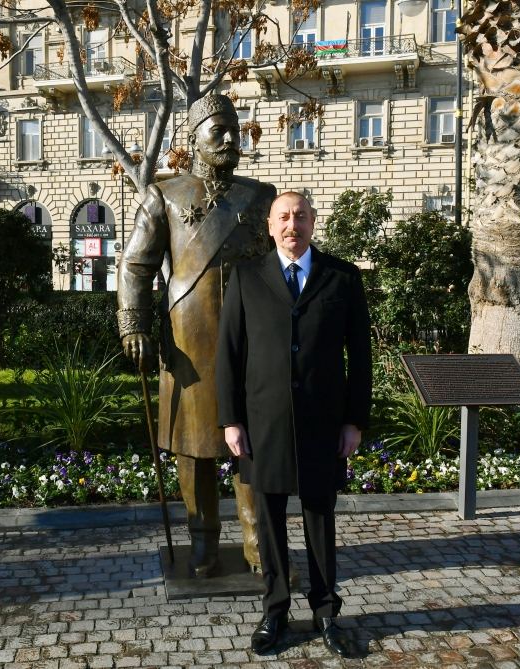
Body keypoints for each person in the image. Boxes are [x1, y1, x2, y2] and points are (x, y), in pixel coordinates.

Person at [117, 94, 276, 578]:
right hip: (190, 337)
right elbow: (135, 265)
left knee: (249, 442)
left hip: (253, 339)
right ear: (193, 139)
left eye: (234, 130)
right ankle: (203, 541)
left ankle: (255, 539)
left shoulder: (261, 196)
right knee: (194, 443)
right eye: (217, 131)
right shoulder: (165, 195)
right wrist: (134, 324)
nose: (229, 139)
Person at [215, 191, 372, 656]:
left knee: (320, 520)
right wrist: (230, 420)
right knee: (270, 523)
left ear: (313, 222)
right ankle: (275, 610)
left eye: (300, 217)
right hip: (263, 424)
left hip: (324, 424)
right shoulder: (245, 277)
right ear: (269, 225)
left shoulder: (343, 278)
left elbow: (360, 358)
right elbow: (228, 354)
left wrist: (354, 422)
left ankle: (326, 612)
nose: (292, 225)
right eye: (283, 217)